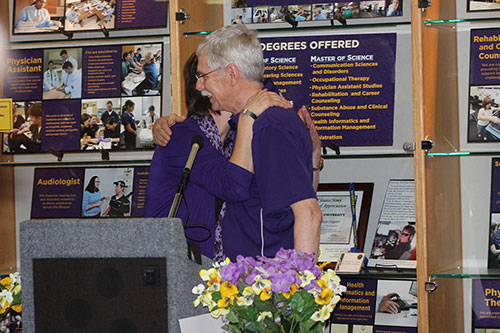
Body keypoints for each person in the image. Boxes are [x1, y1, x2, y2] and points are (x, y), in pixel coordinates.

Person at [145, 53, 293, 260]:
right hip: (177, 267)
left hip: (218, 267)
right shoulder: (181, 136)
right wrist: (248, 115)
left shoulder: (236, 138)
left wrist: (314, 156)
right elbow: (233, 186)